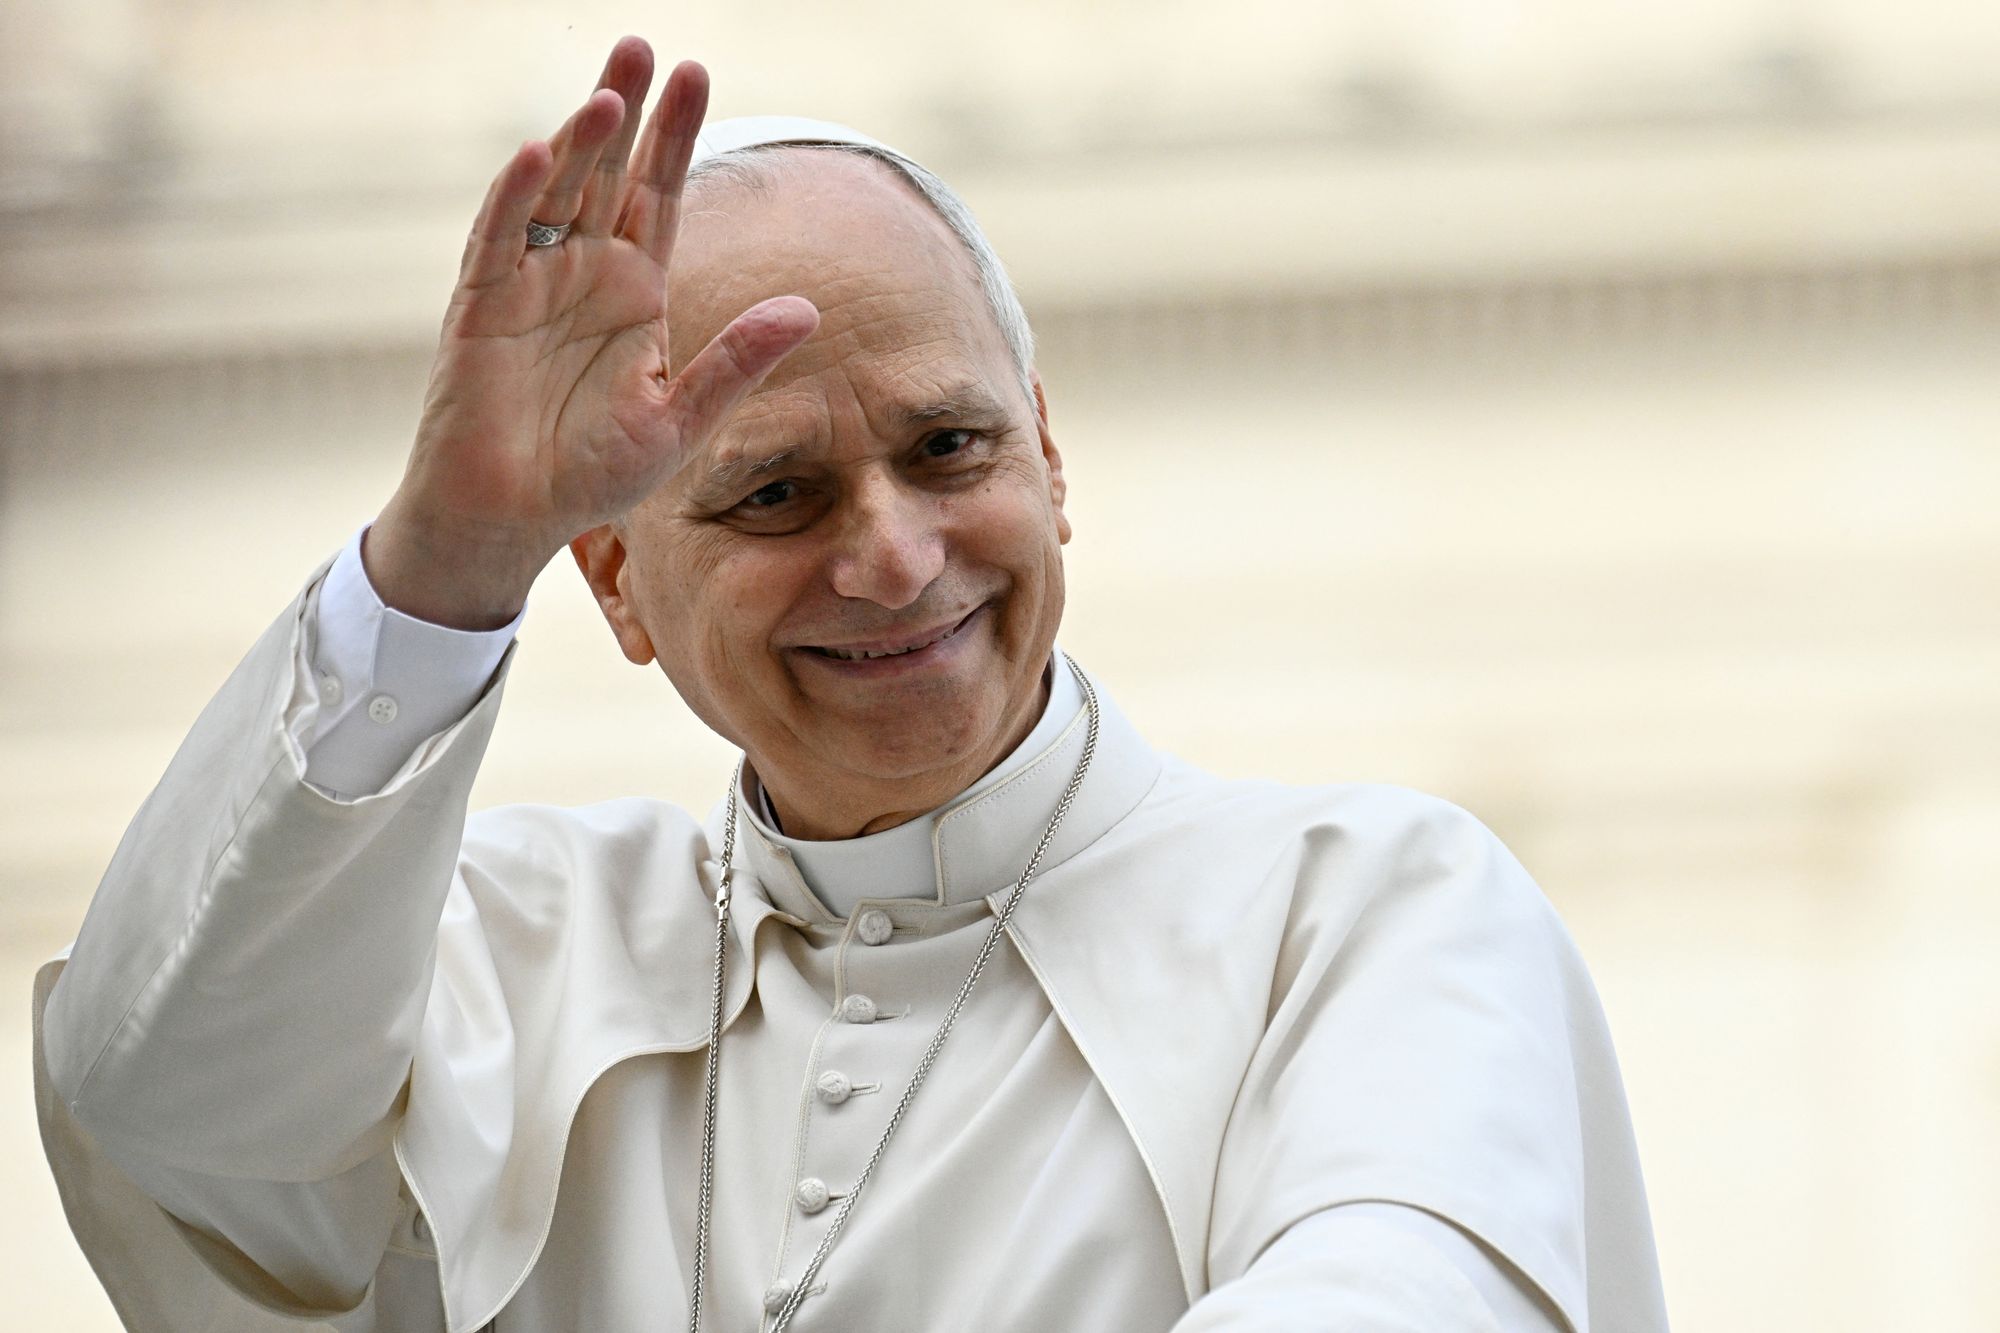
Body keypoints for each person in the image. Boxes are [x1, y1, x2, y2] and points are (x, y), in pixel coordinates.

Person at [33, 36, 1670, 1333]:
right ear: (616, 582)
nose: (892, 557)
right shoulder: (497, 960)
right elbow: (172, 1109)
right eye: (774, 495)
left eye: (949, 447)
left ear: (1050, 450)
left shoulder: (1369, 915)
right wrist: (448, 558)